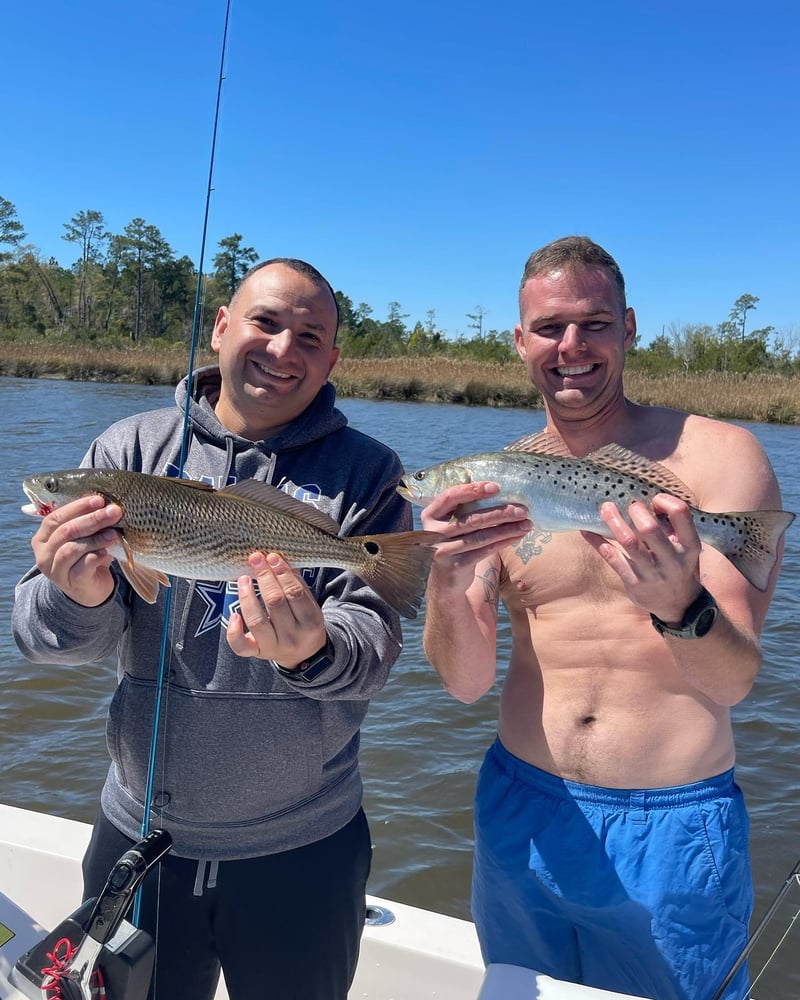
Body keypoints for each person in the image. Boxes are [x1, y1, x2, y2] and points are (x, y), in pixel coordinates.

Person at [13, 258, 415, 1000]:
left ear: (332, 358)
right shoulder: (128, 450)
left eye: (310, 335)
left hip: (305, 847)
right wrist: (79, 597)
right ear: (223, 326)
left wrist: (312, 651)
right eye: (265, 322)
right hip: (138, 837)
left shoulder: (369, 472)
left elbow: (375, 654)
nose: (282, 349)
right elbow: (43, 643)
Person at [419, 236, 788, 1000]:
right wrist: (447, 577)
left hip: (674, 827)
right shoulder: (498, 478)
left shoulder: (721, 458)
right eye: (550, 328)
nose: (571, 346)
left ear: (629, 327)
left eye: (593, 323)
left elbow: (735, 680)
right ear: (520, 342)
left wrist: (680, 607)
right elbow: (461, 683)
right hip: (520, 809)